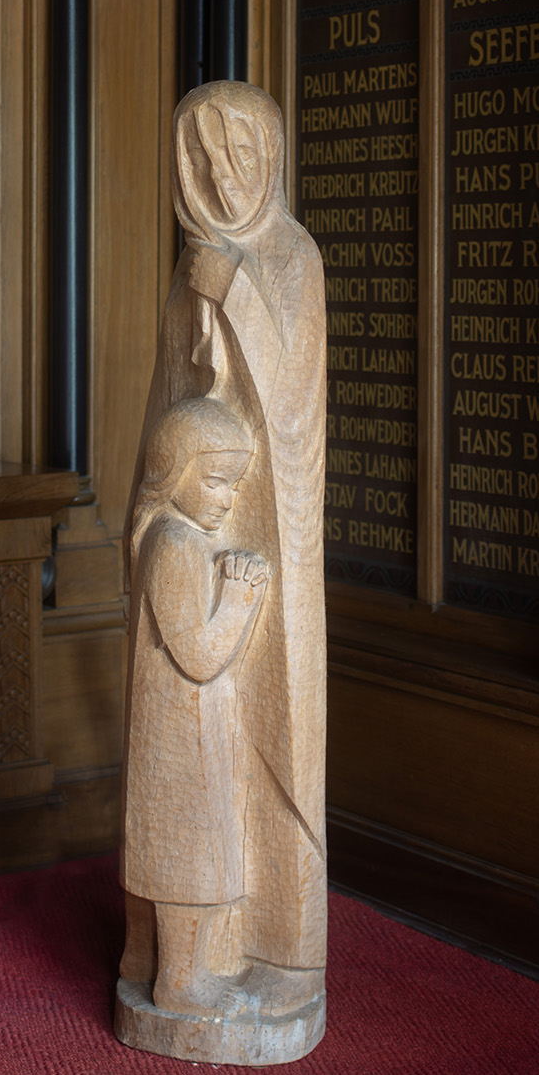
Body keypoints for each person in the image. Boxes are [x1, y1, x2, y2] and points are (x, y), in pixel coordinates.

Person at [123, 81, 327, 1019]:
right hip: (195, 516)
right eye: (200, 158)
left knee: (257, 741)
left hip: (263, 510)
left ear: (271, 157)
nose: (219, 172)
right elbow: (176, 398)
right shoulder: (187, 265)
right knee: (195, 777)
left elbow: (288, 400)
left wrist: (231, 289)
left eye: (238, 155)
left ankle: (269, 941)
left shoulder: (291, 259)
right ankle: (183, 960)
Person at [120, 396, 268, 1018]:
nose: (228, 498)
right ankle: (178, 981)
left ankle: (191, 971)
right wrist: (240, 595)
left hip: (195, 726)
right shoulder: (176, 543)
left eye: (234, 484)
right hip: (180, 733)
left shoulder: (176, 535)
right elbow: (200, 657)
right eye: (214, 479)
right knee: (189, 854)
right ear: (174, 468)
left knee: (205, 850)